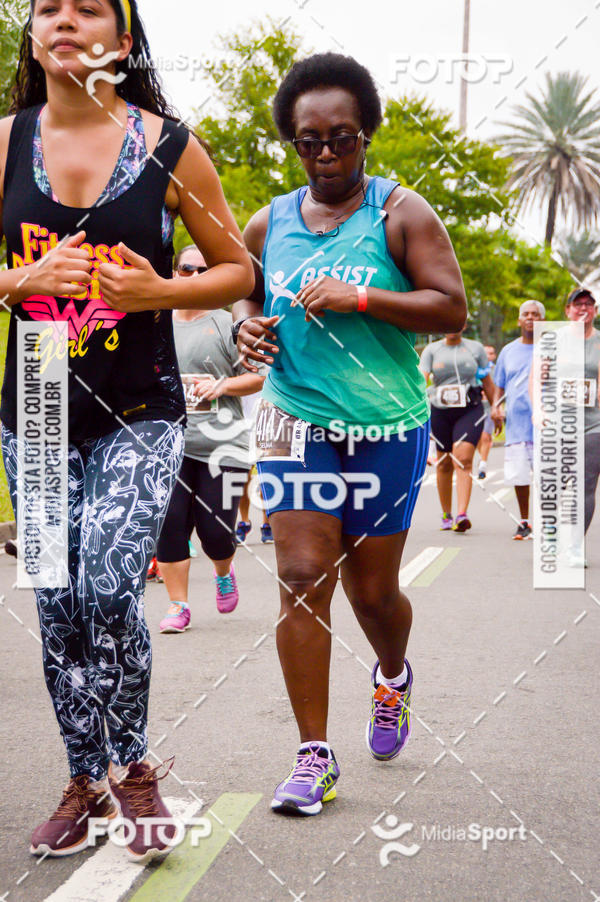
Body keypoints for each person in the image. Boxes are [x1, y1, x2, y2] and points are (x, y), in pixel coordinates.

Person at [0, 0, 253, 860]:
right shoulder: (3, 141)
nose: (65, 19)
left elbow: (235, 270)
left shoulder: (168, 145)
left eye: (89, 7)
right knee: (57, 600)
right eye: (48, 7)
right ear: (31, 32)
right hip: (34, 407)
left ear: (123, 37)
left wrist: (159, 295)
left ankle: (135, 767)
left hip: (139, 405)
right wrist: (22, 277)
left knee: (108, 586)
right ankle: (84, 779)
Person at [233, 52, 466, 816]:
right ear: (291, 143)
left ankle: (392, 676)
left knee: (373, 595)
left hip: (386, 425)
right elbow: (240, 296)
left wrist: (362, 297)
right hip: (293, 414)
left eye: (342, 137)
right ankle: (313, 757)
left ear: (366, 135)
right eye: (310, 141)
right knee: (302, 576)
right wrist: (249, 334)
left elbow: (450, 309)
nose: (326, 153)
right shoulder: (268, 221)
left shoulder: (402, 213)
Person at [155, 245, 266, 632]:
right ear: (174, 272)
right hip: (168, 446)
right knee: (169, 527)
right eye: (188, 269)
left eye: (205, 270)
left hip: (223, 445)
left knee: (216, 532)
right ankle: (178, 605)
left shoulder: (225, 324)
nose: (196, 277)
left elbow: (258, 377)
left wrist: (221, 386)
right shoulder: (156, 321)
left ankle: (223, 570)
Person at [420, 327, 497, 531]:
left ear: (463, 325)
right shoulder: (432, 349)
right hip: (440, 410)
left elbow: (488, 382)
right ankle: (447, 514)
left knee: (463, 458)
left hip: (469, 409)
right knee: (444, 462)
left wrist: (496, 409)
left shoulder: (476, 348)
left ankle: (462, 514)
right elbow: (422, 379)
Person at [492, 301, 545, 539]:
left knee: (547, 477)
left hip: (547, 425)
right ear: (519, 320)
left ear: (543, 320)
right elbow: (499, 385)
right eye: (526, 314)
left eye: (536, 314)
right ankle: (525, 522)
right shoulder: (508, 351)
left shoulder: (552, 349)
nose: (531, 318)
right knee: (520, 477)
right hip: (517, 425)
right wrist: (496, 407)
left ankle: (548, 524)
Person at [564, 289, 600, 547]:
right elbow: (539, 379)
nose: (583, 308)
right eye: (578, 304)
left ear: (595, 311)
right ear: (568, 310)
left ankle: (576, 544)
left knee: (586, 483)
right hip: (559, 422)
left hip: (593, 422)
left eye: (589, 304)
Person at [235, 391, 274, 545]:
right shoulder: (237, 368)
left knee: (266, 476)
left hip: (266, 425)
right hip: (240, 427)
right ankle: (244, 521)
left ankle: (267, 523)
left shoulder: (269, 367)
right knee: (243, 477)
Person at [476, 344, 497, 479]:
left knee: (485, 435)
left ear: (494, 356)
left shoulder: (496, 370)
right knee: (478, 437)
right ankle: (482, 457)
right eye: (485, 353)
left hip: (490, 407)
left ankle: (483, 463)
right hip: (477, 407)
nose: (488, 356)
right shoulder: (475, 369)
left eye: (491, 353)